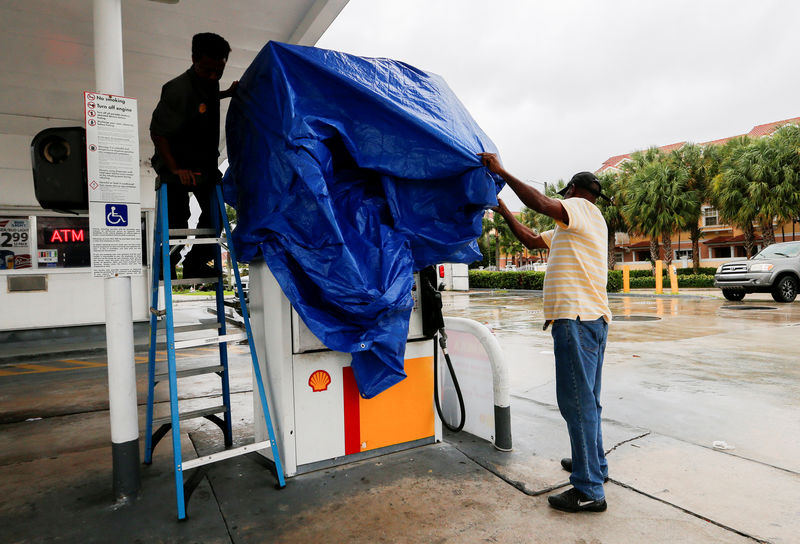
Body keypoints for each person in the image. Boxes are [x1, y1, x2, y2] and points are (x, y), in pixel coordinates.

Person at [479, 152, 612, 513]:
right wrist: (501, 207)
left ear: (571, 191)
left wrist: (502, 172)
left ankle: (588, 490)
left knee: (577, 404)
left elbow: (538, 202)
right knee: (590, 401)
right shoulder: (575, 227)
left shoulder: (581, 210)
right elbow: (529, 239)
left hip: (575, 320)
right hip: (592, 320)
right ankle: (594, 466)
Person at [150, 32, 237, 279]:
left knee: (216, 214)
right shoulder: (176, 89)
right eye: (207, 70)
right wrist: (176, 169)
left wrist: (226, 92)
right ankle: (167, 266)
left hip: (204, 163)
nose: (213, 76)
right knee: (178, 219)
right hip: (174, 164)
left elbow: (205, 99)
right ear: (193, 59)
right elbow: (158, 133)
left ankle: (196, 263)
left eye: (218, 71)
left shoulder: (211, 81)